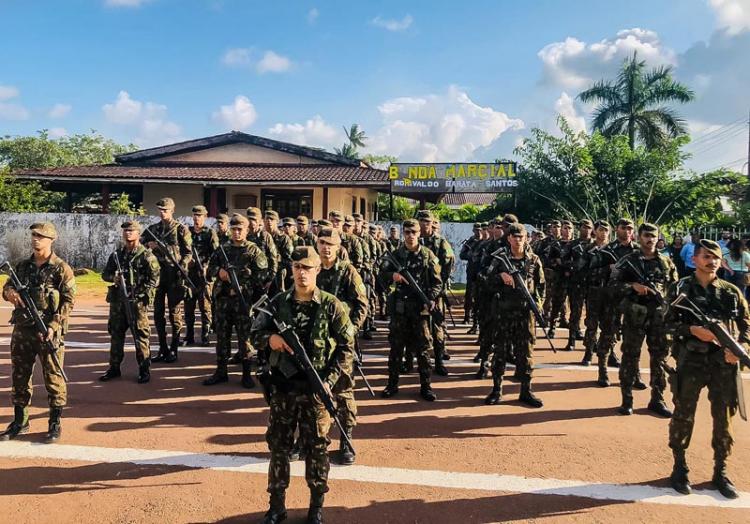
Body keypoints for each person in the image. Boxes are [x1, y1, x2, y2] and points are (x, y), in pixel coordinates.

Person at [252, 246, 355, 524]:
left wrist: (329, 382)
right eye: (297, 267)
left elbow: (347, 349)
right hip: (283, 389)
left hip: (316, 390)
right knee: (279, 447)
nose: (301, 273)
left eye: (307, 268)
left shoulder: (332, 305)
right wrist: (269, 340)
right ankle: (276, 506)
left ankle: (315, 507)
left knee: (317, 449)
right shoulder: (277, 303)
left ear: (317, 270)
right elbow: (254, 333)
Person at [666, 239, 745, 499]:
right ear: (694, 260)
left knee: (724, 418)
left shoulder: (732, 292)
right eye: (706, 256)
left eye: (715, 257)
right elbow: (664, 324)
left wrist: (740, 349)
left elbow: (746, 329)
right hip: (691, 362)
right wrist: (691, 330)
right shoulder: (681, 290)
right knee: (684, 413)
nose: (711, 261)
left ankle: (720, 470)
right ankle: (680, 467)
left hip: (723, 365)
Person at [0, 222, 76, 443]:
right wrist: (10, 293)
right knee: (20, 376)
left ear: (51, 240)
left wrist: (54, 326)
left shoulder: (62, 268)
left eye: (41, 236)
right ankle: (20, 422)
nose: (36, 239)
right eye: (34, 235)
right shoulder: (22, 266)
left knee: (53, 378)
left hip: (48, 332)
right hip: (23, 330)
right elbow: (6, 287)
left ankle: (54, 423)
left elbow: (68, 302)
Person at [611, 223, 678, 417]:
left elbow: (674, 290)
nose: (650, 239)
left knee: (659, 358)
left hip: (659, 318)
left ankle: (657, 399)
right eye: (646, 235)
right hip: (634, 316)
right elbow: (613, 286)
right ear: (639, 237)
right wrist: (633, 286)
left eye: (653, 236)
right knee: (630, 356)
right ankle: (627, 400)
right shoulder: (627, 261)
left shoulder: (667, 263)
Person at [316, 227, 368, 465]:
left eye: (331, 244)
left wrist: (350, 333)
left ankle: (346, 439)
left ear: (338, 247)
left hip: (340, 342)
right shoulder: (312, 269)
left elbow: (361, 305)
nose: (326, 247)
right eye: (322, 242)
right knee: (311, 392)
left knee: (343, 391)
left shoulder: (348, 272)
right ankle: (312, 439)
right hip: (315, 343)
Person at [483, 223, 545, 408]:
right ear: (509, 238)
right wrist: (500, 277)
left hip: (525, 313)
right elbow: (485, 280)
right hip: (504, 312)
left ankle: (526, 391)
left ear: (526, 238)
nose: (518, 240)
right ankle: (496, 390)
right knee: (500, 351)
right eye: (515, 236)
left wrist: (539, 305)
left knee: (525, 352)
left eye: (521, 237)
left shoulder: (533, 259)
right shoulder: (499, 259)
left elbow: (540, 286)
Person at [379, 219, 442, 401]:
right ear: (403, 233)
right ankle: (392, 385)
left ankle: (426, 386)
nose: (410, 236)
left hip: (420, 310)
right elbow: (381, 276)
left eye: (414, 232)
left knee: (423, 350)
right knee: (396, 348)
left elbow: (437, 283)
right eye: (407, 232)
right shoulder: (395, 255)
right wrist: (393, 275)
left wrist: (429, 299)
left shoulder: (428, 255)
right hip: (400, 309)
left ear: (419, 234)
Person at [204, 214, 268, 387]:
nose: (237, 233)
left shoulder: (254, 250)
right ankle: (221, 371)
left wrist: (243, 278)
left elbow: (262, 274)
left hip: (243, 301)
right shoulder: (222, 249)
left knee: (244, 339)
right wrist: (219, 273)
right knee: (222, 337)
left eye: (240, 229)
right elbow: (209, 269)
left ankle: (246, 374)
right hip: (224, 300)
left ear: (246, 230)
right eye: (234, 229)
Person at [100, 220, 160, 384]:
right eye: (125, 231)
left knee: (140, 336)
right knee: (116, 336)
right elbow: (105, 274)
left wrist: (140, 295)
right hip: (118, 302)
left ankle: (144, 369)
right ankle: (114, 368)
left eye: (131, 231)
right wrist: (114, 278)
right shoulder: (117, 255)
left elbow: (154, 279)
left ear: (138, 233)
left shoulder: (147, 256)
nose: (128, 233)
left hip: (137, 304)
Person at [142, 197, 192, 362]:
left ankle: (174, 348)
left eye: (165, 210)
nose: (162, 213)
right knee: (157, 313)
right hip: (157, 276)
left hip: (173, 274)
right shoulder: (152, 229)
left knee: (174, 313)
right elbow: (140, 245)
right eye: (160, 210)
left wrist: (182, 265)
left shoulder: (180, 230)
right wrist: (149, 246)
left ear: (172, 210)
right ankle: (162, 348)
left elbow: (188, 253)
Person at [417, 210, 455, 375]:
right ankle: (412, 359)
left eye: (427, 221)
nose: (424, 224)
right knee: (415, 326)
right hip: (416, 292)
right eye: (421, 221)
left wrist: (438, 288)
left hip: (435, 292)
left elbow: (449, 263)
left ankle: (439, 361)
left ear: (432, 223)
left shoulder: (440, 242)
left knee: (437, 327)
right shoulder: (414, 240)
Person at [184, 205, 219, 346]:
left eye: (199, 216)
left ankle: (205, 335)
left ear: (205, 217)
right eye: (195, 216)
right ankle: (189, 335)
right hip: (189, 275)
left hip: (204, 276)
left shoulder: (210, 233)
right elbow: (182, 250)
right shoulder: (187, 232)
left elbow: (216, 254)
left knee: (205, 307)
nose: (197, 219)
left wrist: (207, 267)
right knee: (188, 306)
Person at [581, 220, 611, 366]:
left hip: (611, 292)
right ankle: (588, 352)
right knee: (592, 323)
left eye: (606, 230)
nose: (603, 232)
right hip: (594, 290)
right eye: (601, 229)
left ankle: (610, 353)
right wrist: (605, 269)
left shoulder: (613, 249)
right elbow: (581, 268)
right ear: (595, 231)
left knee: (609, 324)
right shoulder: (589, 249)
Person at [561, 219, 593, 351]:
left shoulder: (595, 245)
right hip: (577, 283)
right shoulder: (572, 245)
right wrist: (575, 266)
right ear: (579, 229)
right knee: (575, 313)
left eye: (589, 227)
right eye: (583, 227)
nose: (586, 230)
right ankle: (572, 340)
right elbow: (563, 260)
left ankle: (591, 342)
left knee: (592, 314)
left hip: (592, 283)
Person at [265, 210, 294, 293]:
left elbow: (289, 261)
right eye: (267, 219)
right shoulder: (261, 237)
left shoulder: (284, 238)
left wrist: (276, 258)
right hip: (262, 272)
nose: (269, 221)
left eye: (272, 219)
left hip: (278, 272)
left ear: (277, 222)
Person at [460, 223, 483, 325]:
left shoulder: (485, 242)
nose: (478, 232)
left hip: (482, 271)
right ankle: (467, 316)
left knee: (480, 296)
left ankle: (476, 319)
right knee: (469, 295)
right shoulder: (470, 241)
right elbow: (462, 255)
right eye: (476, 230)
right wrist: (470, 255)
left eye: (480, 230)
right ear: (473, 231)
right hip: (471, 271)